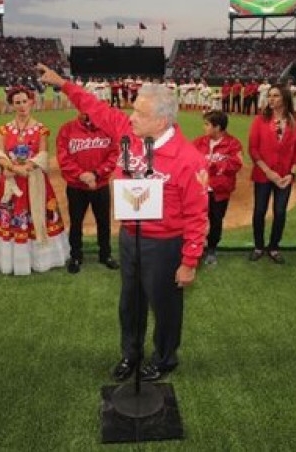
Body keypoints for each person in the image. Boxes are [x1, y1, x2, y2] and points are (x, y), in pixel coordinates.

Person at [39, 62, 207, 383]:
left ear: (161, 121)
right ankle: (131, 354)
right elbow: (94, 106)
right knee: (130, 303)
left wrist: (189, 262)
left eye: (140, 113)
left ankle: (165, 358)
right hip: (130, 236)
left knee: (165, 305)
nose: (131, 117)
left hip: (164, 244)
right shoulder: (128, 132)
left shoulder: (188, 159)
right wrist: (62, 83)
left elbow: (197, 216)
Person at [0, 86, 70, 275]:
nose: (21, 106)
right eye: (17, 102)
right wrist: (13, 168)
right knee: (13, 220)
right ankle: (16, 261)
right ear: (12, 105)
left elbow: (43, 155)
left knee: (38, 216)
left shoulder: (41, 129)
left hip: (34, 181)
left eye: (24, 101)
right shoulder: (4, 129)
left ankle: (40, 260)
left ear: (31, 102)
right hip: (12, 183)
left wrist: (25, 167)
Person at [248, 85, 296, 264]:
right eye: (270, 96)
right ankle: (258, 246)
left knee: (280, 212)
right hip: (263, 174)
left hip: (284, 176)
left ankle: (274, 246)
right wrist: (267, 171)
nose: (271, 99)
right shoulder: (260, 120)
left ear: (285, 98)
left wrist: (292, 174)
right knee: (259, 211)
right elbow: (253, 149)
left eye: (276, 96)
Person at [56, 112, 120, 274]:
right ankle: (76, 256)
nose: (88, 113)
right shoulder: (67, 129)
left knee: (104, 222)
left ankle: (105, 254)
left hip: (100, 184)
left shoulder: (107, 129)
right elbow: (63, 157)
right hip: (76, 186)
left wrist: (96, 174)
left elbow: (114, 155)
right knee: (76, 222)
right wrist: (81, 175)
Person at [192, 110, 243, 265]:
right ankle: (195, 247)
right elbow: (188, 159)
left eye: (207, 124)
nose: (204, 127)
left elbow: (237, 163)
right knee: (197, 220)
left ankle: (212, 248)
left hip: (219, 191)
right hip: (200, 190)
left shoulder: (233, 143)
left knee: (216, 221)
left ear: (217, 127)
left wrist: (217, 165)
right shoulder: (199, 142)